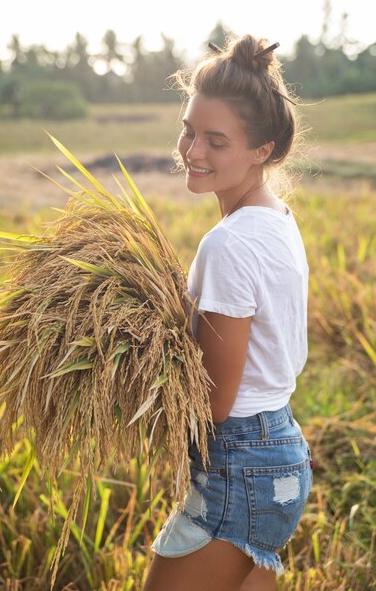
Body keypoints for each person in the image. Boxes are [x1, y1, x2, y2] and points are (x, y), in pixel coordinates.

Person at [143, 34, 313, 591]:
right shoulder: (278, 219)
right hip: (279, 450)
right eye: (189, 131)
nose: (192, 151)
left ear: (261, 150)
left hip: (239, 462)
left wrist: (136, 403)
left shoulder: (230, 244)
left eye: (216, 141)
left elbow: (214, 399)